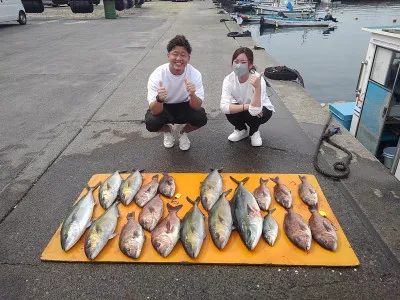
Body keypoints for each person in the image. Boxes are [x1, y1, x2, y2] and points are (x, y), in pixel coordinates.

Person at [145, 35, 207, 151]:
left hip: (184, 105)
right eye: (175, 54)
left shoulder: (195, 74)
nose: (179, 58)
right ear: (168, 55)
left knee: (201, 118)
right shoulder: (157, 75)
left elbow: (197, 106)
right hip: (165, 106)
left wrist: (192, 95)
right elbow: (154, 110)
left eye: (183, 55)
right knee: (151, 122)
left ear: (189, 57)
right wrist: (159, 99)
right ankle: (167, 131)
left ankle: (183, 133)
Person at [220, 47, 275, 147]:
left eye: (243, 62)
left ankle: (254, 132)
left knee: (254, 112)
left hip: (261, 110)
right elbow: (224, 107)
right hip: (245, 106)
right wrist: (246, 106)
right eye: (236, 61)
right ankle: (241, 129)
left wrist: (257, 87)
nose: (238, 65)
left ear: (250, 65)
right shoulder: (228, 79)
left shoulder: (258, 79)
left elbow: (256, 110)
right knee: (230, 110)